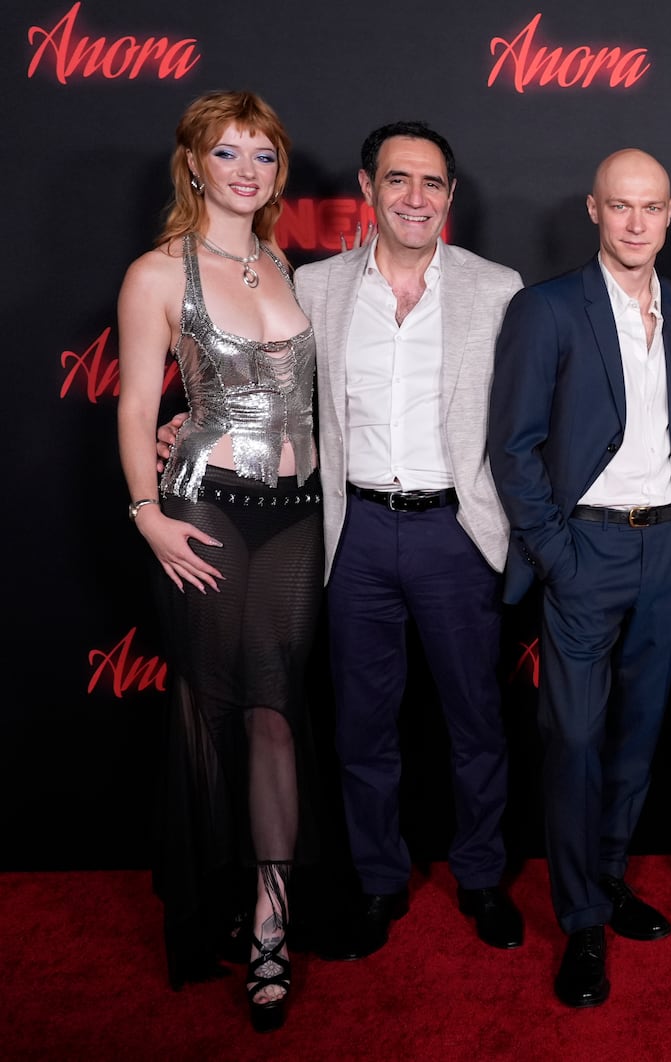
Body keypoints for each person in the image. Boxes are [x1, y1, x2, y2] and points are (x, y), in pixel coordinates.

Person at [166, 122, 528, 959]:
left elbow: (526, 416)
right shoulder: (315, 288)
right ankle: (376, 882)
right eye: (398, 180)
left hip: (457, 533)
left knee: (477, 721)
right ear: (365, 189)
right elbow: (262, 376)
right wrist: (191, 421)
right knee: (363, 726)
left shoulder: (498, 289)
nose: (415, 198)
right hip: (350, 531)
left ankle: (480, 877)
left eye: (432, 183)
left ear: (451, 196)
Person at [117, 90, 320, 1032]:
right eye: (228, 154)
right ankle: (211, 911)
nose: (247, 171)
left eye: (263, 156)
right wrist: (147, 513)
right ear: (194, 164)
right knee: (210, 708)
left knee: (277, 713)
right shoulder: (159, 273)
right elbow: (133, 406)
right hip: (205, 512)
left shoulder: (288, 264)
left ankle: (273, 917)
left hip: (297, 518)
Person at [488, 148, 671, 1007]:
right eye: (620, 206)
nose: (636, 222)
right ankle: (579, 918)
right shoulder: (546, 310)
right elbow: (514, 449)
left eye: (651, 207)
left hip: (664, 552)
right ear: (593, 210)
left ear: (669, 213)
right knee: (575, 742)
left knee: (638, 735)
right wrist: (558, 555)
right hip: (586, 551)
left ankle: (609, 877)